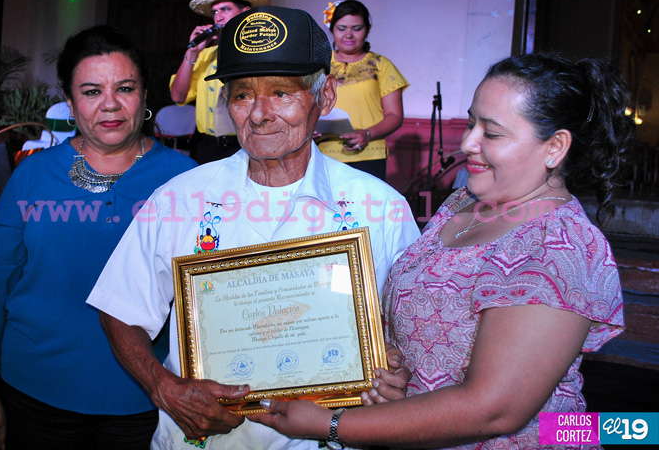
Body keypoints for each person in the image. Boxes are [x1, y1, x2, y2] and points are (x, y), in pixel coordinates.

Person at [250, 53, 634, 449]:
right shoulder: (463, 204)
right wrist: (389, 367)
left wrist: (331, 424)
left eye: (492, 133)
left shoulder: (559, 244)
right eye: (471, 123)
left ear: (555, 147)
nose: (468, 143)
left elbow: (493, 408)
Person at [87, 6, 421, 450]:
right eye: (242, 94)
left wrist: (397, 370)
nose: (259, 114)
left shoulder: (380, 208)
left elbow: (412, 334)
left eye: (281, 92)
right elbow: (120, 306)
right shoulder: (180, 198)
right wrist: (163, 387)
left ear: (324, 97)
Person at [0, 25, 197, 450]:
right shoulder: (34, 173)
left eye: (124, 87)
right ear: (70, 103)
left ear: (144, 96)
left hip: (146, 402)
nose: (110, 104)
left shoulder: (186, 178)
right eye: (91, 91)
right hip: (33, 396)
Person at [169, 0, 269, 164]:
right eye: (215, 11)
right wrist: (191, 54)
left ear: (245, 12)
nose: (218, 16)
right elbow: (178, 96)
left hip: (244, 143)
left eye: (225, 9)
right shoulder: (205, 55)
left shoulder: (258, 53)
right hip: (206, 144)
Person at [316, 0, 409, 181]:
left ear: (367, 30)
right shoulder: (319, 65)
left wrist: (367, 134)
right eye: (341, 28)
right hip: (322, 153)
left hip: (368, 154)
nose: (349, 35)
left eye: (356, 28)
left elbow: (394, 115)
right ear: (332, 30)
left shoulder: (381, 65)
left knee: (365, 208)